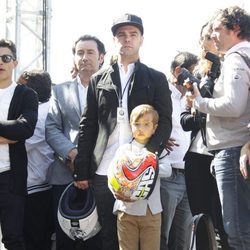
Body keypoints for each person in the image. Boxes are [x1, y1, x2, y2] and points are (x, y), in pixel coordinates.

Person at [73, 13, 172, 250]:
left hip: (141, 170)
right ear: (114, 40)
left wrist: (146, 156)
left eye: (133, 34)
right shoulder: (99, 79)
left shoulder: (155, 78)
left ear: (141, 39)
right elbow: (87, 125)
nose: (127, 39)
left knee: (142, 235)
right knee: (107, 233)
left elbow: (165, 122)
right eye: (121, 35)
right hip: (104, 169)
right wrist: (82, 171)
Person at [190, 6, 250, 249]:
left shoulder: (236, 58)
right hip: (239, 148)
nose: (213, 36)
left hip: (233, 151)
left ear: (235, 29)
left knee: (237, 231)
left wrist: (201, 102)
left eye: (217, 29)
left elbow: (234, 106)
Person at [45, 34, 105, 250]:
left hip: (101, 175)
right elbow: (51, 128)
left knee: (99, 239)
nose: (84, 57)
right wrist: (72, 154)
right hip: (65, 174)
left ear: (101, 57)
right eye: (80, 53)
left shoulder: (112, 90)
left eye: (90, 52)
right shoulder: (60, 91)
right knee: (65, 240)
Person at [181, 22, 230, 249]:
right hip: (197, 157)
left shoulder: (235, 70)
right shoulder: (196, 76)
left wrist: (207, 107)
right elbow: (184, 121)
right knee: (200, 221)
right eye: (206, 37)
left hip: (225, 153)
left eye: (215, 35)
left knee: (226, 221)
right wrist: (198, 111)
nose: (211, 41)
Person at [109, 104, 172, 250]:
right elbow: (112, 173)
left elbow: (167, 170)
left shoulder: (157, 150)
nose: (141, 128)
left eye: (146, 124)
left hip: (151, 211)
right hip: (126, 210)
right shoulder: (124, 150)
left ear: (154, 128)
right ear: (130, 125)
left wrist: (144, 168)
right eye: (136, 124)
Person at [0, 39, 38, 250]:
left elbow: (24, 129)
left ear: (15, 62)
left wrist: (16, 133)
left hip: (10, 177)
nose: (1, 63)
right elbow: (14, 132)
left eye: (6, 58)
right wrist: (10, 134)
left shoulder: (25, 94)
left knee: (13, 238)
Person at [160, 51, 197, 250]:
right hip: (168, 175)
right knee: (161, 237)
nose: (196, 79)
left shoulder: (192, 99)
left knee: (183, 240)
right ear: (178, 71)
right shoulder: (162, 95)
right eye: (193, 73)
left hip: (190, 176)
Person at [17, 70, 55, 250]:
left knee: (32, 240)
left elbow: (18, 143)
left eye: (19, 87)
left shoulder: (37, 115)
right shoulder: (50, 108)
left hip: (34, 186)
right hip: (47, 183)